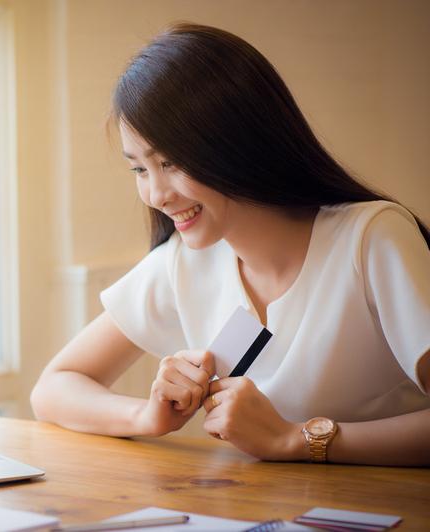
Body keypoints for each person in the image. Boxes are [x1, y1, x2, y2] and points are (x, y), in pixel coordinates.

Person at [30, 23, 430, 466]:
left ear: (237, 143)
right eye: (139, 170)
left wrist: (296, 440)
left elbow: (287, 442)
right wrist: (147, 416)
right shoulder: (184, 263)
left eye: (171, 162)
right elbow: (53, 388)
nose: (157, 195)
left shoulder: (371, 237)